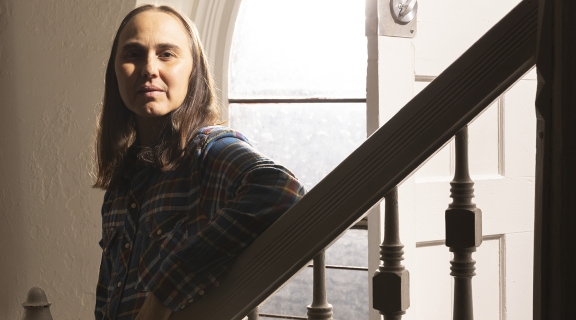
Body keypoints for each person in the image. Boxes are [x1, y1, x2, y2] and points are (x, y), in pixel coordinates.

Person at [92, 5, 305, 320]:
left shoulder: (209, 152)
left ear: (194, 71)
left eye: (166, 54)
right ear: (115, 71)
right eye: (133, 54)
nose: (149, 68)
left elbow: (282, 190)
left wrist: (164, 293)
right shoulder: (120, 188)